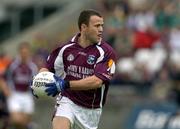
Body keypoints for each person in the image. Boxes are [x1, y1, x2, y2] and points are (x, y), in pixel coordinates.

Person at [33, 9, 117, 129]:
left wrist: (65, 84)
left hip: (91, 111)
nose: (101, 30)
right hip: (67, 101)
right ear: (84, 27)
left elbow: (97, 81)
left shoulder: (106, 52)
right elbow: (47, 68)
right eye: (97, 26)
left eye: (102, 26)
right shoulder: (66, 49)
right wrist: (39, 81)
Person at [5, 42, 38, 129]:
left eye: (26, 52)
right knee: (17, 120)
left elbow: (35, 82)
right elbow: (4, 78)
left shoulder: (33, 67)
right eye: (22, 52)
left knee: (24, 123)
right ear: (19, 52)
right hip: (15, 94)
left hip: (27, 96)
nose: (24, 54)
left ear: (29, 52)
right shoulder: (13, 65)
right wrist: (7, 90)